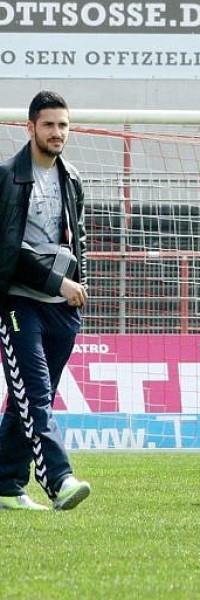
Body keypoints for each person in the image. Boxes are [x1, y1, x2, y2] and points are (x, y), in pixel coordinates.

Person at [0, 91, 91, 511]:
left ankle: (4, 484)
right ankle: (60, 480)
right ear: (31, 127)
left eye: (64, 125)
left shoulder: (71, 178)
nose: (58, 133)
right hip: (19, 304)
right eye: (50, 124)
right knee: (35, 396)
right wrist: (58, 283)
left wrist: (74, 286)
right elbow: (7, 250)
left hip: (60, 309)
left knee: (29, 401)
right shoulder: (6, 178)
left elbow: (78, 240)